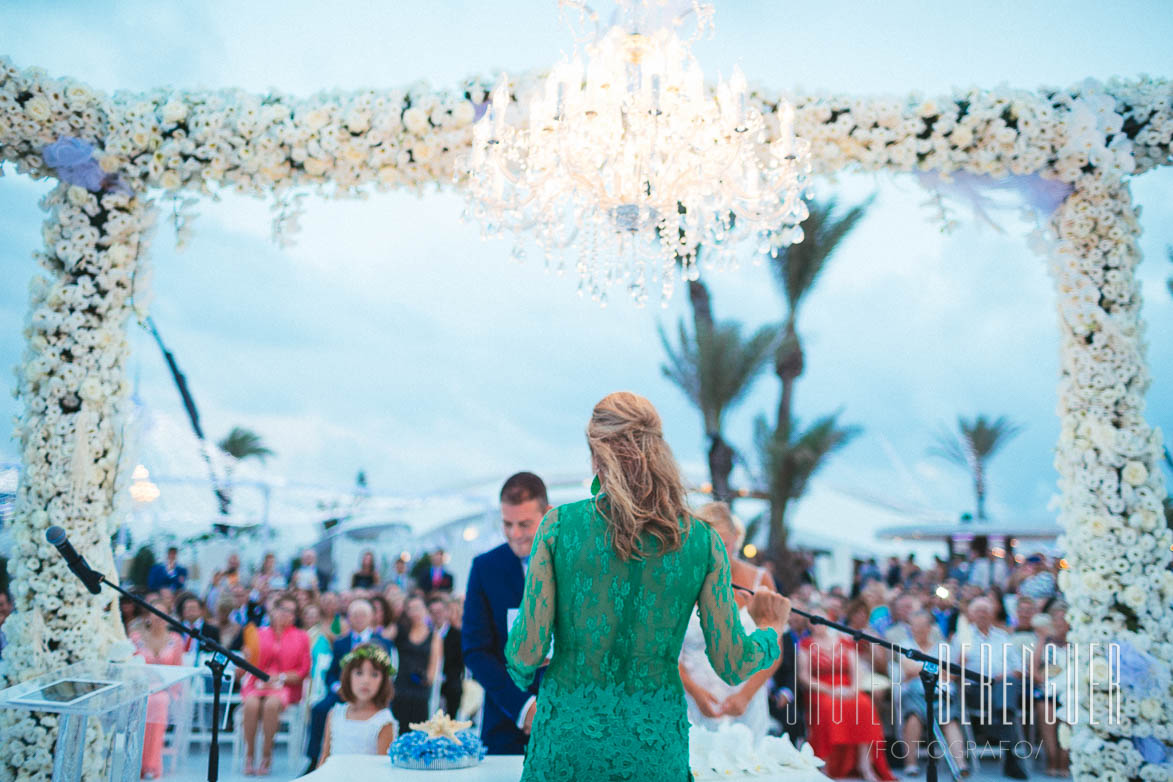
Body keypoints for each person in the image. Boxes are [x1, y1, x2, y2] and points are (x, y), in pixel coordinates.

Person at [505, 392, 789, 781]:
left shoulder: (557, 527)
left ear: (596, 455)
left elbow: (526, 653)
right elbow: (732, 662)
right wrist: (770, 628)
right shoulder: (702, 542)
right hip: (652, 750)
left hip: (567, 746)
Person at [463, 471, 550, 754]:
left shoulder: (572, 564)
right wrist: (522, 706)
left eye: (524, 524)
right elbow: (476, 650)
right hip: (505, 724)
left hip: (567, 721)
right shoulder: (485, 568)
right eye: (507, 524)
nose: (515, 534)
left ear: (547, 514)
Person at [678, 501, 780, 740]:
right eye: (707, 545)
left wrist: (744, 696)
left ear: (736, 538)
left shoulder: (759, 580)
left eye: (723, 544)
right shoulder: (683, 583)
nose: (716, 553)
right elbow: (669, 651)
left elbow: (776, 647)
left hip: (746, 704)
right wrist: (694, 692)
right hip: (693, 702)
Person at [799, 619, 896, 781]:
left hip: (847, 688)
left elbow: (856, 670)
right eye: (814, 622)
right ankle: (825, 764)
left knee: (864, 705)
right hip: (821, 690)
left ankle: (865, 765)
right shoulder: (806, 644)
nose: (818, 625)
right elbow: (803, 676)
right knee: (827, 707)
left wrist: (853, 689)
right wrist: (830, 690)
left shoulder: (844, 642)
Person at [305, 598, 392, 770]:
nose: (359, 619)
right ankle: (314, 758)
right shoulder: (340, 643)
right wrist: (339, 687)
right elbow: (331, 673)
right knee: (319, 708)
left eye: (363, 615)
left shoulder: (383, 642)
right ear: (349, 618)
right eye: (355, 615)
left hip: (372, 692)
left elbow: (386, 673)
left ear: (371, 617)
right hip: (342, 690)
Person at [951, 596, 1029, 779]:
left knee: (1007, 685)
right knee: (1006, 702)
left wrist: (1007, 674)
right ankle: (1010, 754)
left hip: (1004, 685)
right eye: (978, 611)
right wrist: (961, 661)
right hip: (976, 689)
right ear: (971, 614)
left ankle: (999, 723)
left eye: (985, 611)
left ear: (992, 613)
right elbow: (953, 670)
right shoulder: (962, 637)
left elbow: (1020, 668)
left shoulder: (1003, 637)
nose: (982, 615)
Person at [239, 594, 310, 776]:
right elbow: (247, 667)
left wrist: (280, 678)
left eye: (291, 612)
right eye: (283, 610)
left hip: (286, 686)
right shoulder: (259, 634)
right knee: (251, 705)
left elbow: (303, 670)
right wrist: (248, 658)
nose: (286, 615)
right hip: (258, 684)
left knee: (271, 705)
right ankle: (249, 755)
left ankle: (266, 755)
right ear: (274, 611)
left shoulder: (301, 636)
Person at [896, 610, 968, 777]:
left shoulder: (943, 647)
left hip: (941, 693)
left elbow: (951, 674)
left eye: (923, 626)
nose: (919, 630)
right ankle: (911, 764)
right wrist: (937, 669)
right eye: (915, 626)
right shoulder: (905, 644)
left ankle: (960, 765)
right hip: (915, 694)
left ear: (930, 628)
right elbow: (908, 669)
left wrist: (923, 669)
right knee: (914, 717)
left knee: (950, 719)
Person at [132, 596, 185, 780]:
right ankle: (137, 760)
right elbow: (131, 667)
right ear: (148, 615)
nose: (159, 617)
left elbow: (179, 670)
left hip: (166, 691)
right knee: (147, 702)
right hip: (140, 690)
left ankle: (151, 764)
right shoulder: (136, 638)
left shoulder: (175, 640)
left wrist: (173, 691)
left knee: (159, 701)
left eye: (163, 614)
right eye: (155, 613)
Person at [318, 643, 397, 765]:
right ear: (348, 676)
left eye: (374, 674)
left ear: (383, 681)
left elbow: (384, 769)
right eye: (359, 673)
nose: (366, 681)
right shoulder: (335, 714)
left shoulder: (383, 721)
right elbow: (324, 758)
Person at [392, 595, 443, 732]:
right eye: (411, 609)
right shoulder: (400, 632)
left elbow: (433, 669)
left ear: (425, 610)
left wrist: (426, 680)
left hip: (420, 688)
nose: (415, 612)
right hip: (401, 688)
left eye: (418, 608)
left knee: (420, 731)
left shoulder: (434, 636)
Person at [439, 595, 465, 717]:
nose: (453, 614)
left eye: (456, 611)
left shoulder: (459, 635)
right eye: (450, 610)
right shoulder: (439, 631)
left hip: (453, 680)